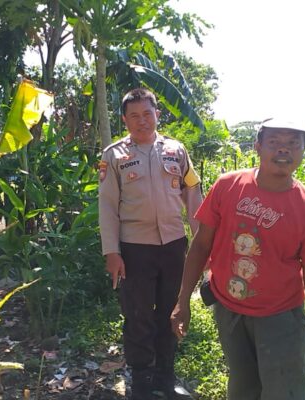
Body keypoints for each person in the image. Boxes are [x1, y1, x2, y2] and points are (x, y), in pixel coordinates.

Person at [170, 118, 305, 399]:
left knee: (284, 392)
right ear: (258, 146)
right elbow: (201, 245)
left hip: (281, 319)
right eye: (274, 142)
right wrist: (182, 301)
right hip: (229, 311)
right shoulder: (228, 186)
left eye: (292, 144)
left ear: (302, 151)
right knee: (242, 387)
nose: (283, 150)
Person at [99, 88, 203, 400]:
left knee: (172, 311)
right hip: (135, 249)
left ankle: (166, 378)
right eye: (134, 116)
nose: (142, 121)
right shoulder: (114, 156)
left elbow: (193, 196)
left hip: (174, 246)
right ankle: (141, 384)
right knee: (138, 314)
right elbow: (106, 206)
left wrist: (203, 242)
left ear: (157, 114)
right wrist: (111, 252)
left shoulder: (176, 150)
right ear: (124, 119)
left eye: (147, 113)